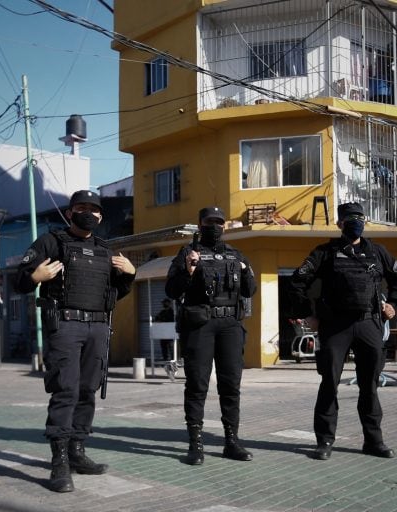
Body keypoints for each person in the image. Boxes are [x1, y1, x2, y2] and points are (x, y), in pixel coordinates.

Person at [13, 190, 136, 493]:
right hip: (65, 325)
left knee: (87, 391)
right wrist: (34, 278)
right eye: (81, 208)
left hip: (97, 327)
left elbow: (112, 294)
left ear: (100, 217)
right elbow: (18, 282)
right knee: (65, 390)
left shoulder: (106, 250)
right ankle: (60, 462)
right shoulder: (50, 242)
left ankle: (78, 451)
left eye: (93, 210)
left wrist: (130, 276)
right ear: (69, 213)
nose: (88, 214)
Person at [289, 202, 397, 461]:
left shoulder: (377, 251)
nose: (356, 222)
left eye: (360, 218)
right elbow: (297, 282)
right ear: (339, 223)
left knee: (370, 387)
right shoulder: (325, 252)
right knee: (329, 384)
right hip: (335, 327)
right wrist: (307, 314)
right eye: (350, 218)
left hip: (368, 325)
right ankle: (325, 441)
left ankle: (373, 441)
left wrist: (392, 305)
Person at [165, 206, 257, 466]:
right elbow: (172, 290)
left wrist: (246, 269)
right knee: (197, 385)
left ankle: (232, 441)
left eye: (219, 221)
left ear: (224, 225)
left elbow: (250, 290)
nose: (215, 226)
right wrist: (187, 270)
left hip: (230, 324)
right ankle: (195, 444)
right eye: (209, 221)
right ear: (200, 224)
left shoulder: (235, 254)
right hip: (200, 324)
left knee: (231, 386)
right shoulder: (188, 252)